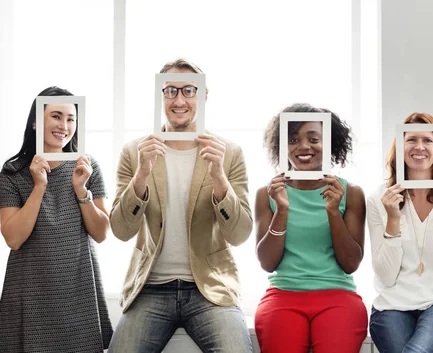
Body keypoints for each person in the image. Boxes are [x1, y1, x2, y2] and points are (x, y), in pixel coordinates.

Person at [108, 58, 253, 353]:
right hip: (151, 288)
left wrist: (220, 180)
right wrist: (142, 175)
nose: (179, 100)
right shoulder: (135, 152)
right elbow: (121, 231)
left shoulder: (229, 153)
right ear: (160, 96)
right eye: (170, 91)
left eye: (189, 90)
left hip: (209, 289)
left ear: (203, 96)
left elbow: (239, 235)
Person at [0, 86, 113, 353]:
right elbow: (13, 239)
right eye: (56, 116)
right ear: (36, 121)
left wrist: (81, 190)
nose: (64, 125)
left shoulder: (87, 167)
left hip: (78, 290)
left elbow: (101, 233)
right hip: (29, 293)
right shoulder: (12, 173)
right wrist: (39, 186)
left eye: (71, 118)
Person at [254, 103, 368, 353]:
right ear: (283, 146)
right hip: (283, 295)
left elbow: (350, 263)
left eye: (314, 139)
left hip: (338, 295)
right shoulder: (268, 194)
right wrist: (282, 211)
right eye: (293, 139)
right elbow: (267, 263)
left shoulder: (351, 193)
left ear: (329, 144)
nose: (303, 146)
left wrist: (332, 211)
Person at [367, 112, 433, 353]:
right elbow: (386, 276)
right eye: (411, 139)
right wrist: (393, 218)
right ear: (400, 147)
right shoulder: (379, 198)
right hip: (391, 306)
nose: (419, 147)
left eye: (427, 140)